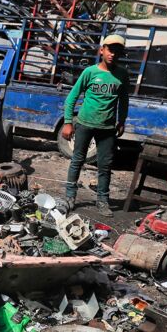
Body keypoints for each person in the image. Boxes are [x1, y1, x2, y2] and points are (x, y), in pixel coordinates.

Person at [62, 33, 130, 216]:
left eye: (117, 51)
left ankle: (102, 201)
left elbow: (124, 100)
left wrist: (121, 121)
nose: (113, 54)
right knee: (77, 160)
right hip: (84, 124)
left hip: (107, 129)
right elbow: (72, 97)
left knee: (105, 166)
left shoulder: (122, 75)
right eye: (110, 50)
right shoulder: (90, 72)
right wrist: (68, 122)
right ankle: (69, 197)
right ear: (102, 50)